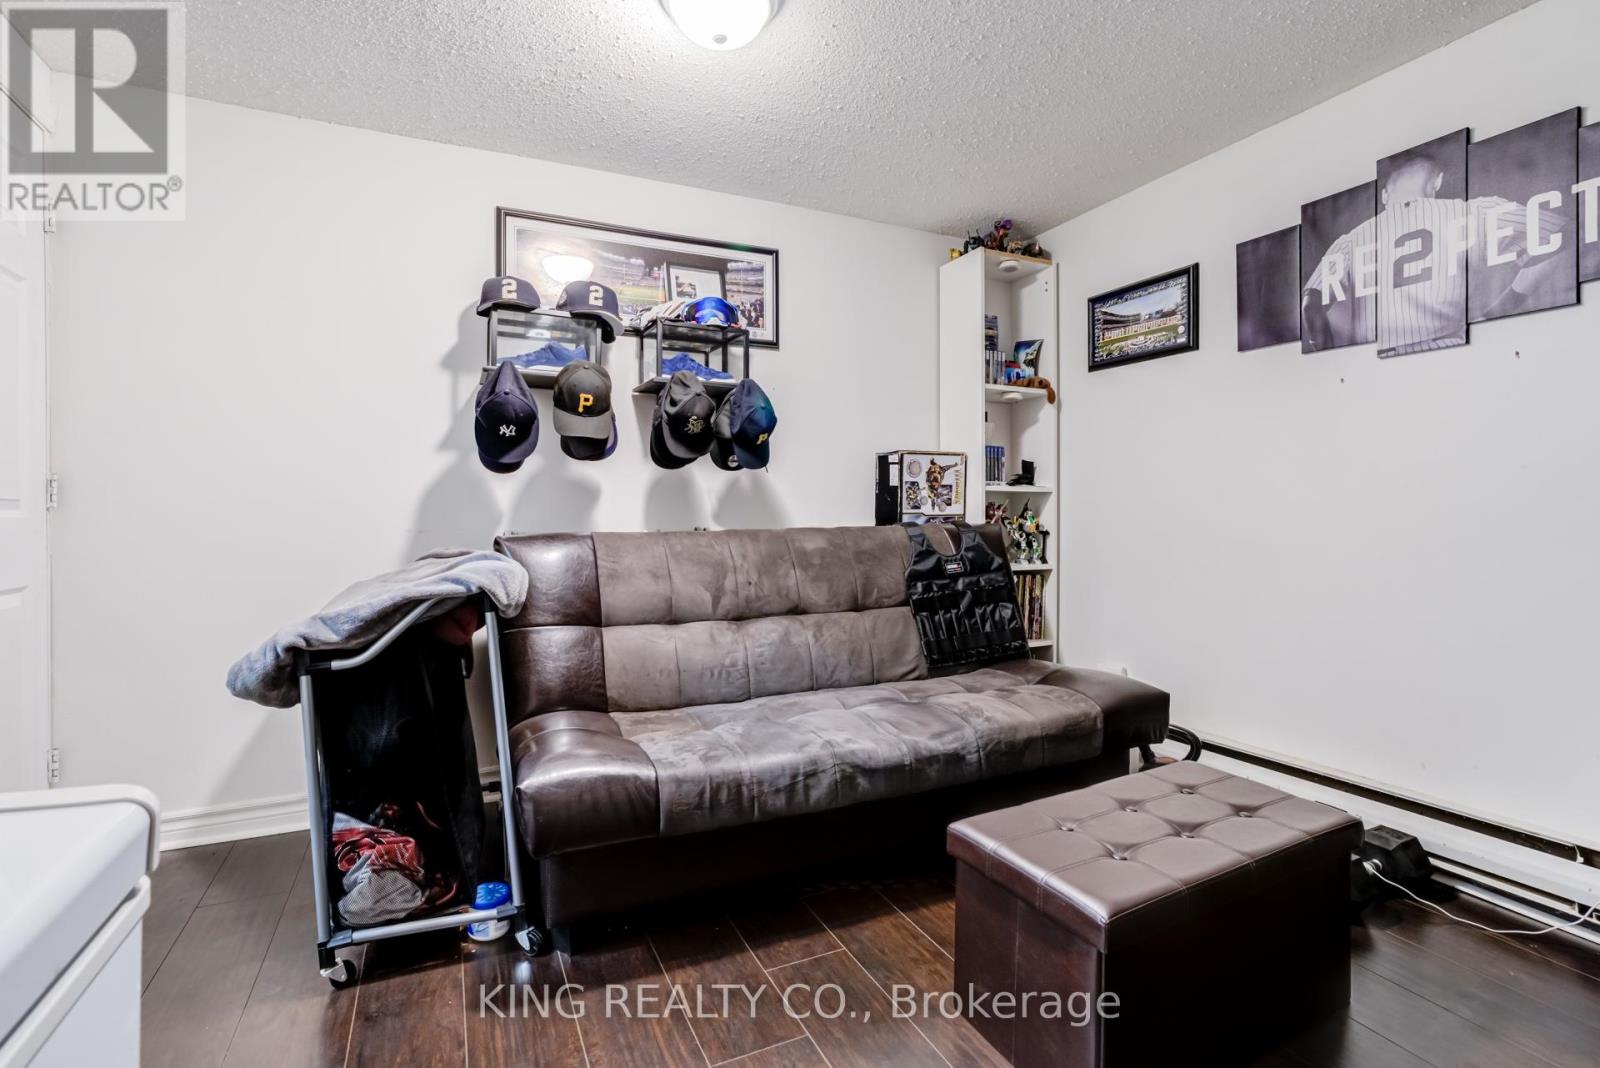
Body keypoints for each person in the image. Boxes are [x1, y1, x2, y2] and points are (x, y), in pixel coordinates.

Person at [1303, 154, 1564, 357]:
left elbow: (1310, 303)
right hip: (1452, 352)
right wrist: (1498, 312)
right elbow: (1561, 235)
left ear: (1384, 196)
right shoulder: (1475, 212)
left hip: (1379, 365)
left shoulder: (1352, 240)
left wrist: (1328, 357)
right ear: (1437, 181)